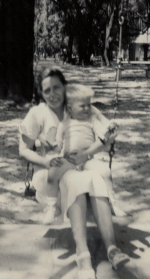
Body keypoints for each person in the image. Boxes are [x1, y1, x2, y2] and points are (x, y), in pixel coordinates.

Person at [19, 67, 130, 279]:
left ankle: (112, 249)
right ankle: (83, 255)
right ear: (41, 93)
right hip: (51, 176)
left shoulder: (83, 107)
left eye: (57, 87)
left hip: (83, 164)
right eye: (47, 90)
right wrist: (46, 159)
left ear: (65, 87)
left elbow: (110, 132)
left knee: (95, 177)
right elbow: (24, 150)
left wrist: (88, 153)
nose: (53, 94)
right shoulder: (37, 114)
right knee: (77, 181)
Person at [43, 83, 126, 225]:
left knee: (105, 171)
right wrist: (51, 146)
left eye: (89, 105)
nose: (88, 108)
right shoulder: (63, 124)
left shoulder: (92, 121)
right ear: (70, 108)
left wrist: (109, 128)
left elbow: (103, 136)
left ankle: (112, 203)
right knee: (52, 174)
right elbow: (58, 145)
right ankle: (52, 206)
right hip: (68, 159)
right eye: (83, 106)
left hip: (88, 160)